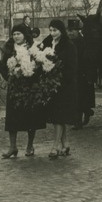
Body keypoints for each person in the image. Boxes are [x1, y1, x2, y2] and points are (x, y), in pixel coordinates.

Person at [0, 23, 45, 158]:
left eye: (18, 34)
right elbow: (3, 66)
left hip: (30, 86)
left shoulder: (33, 48)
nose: (16, 36)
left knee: (30, 117)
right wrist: (10, 75)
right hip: (15, 87)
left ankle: (30, 145)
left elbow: (39, 65)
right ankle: (12, 146)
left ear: (25, 35)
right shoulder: (9, 49)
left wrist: (31, 72)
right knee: (12, 118)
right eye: (14, 34)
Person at [39, 19, 78, 159]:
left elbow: (72, 67)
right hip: (51, 84)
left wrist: (59, 74)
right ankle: (65, 143)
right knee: (57, 116)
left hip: (65, 85)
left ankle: (55, 146)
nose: (52, 33)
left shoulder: (68, 45)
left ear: (61, 31)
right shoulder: (48, 43)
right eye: (50, 30)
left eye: (55, 30)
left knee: (58, 117)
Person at [68, 19, 95, 129]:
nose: (70, 33)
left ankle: (79, 120)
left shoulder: (83, 42)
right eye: (69, 31)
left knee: (81, 97)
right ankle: (85, 112)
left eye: (73, 31)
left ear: (78, 31)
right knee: (76, 98)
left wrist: (89, 75)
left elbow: (88, 59)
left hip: (83, 74)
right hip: (72, 74)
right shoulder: (68, 42)